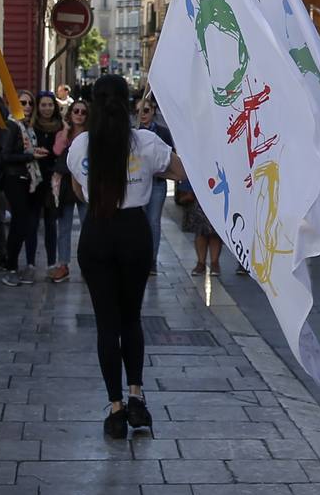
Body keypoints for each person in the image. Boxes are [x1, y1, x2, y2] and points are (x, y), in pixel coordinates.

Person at [66, 76, 186, 437]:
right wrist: (149, 172)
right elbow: (179, 171)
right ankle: (136, 396)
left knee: (106, 323)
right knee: (131, 318)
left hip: (98, 231)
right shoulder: (146, 142)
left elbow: (78, 187)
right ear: (128, 102)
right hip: (134, 232)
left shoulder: (81, 145)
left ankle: (114, 407)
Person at [0, 91, 41, 286]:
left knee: (23, 223)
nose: (27, 106)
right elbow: (5, 156)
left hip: (26, 178)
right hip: (14, 178)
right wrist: (30, 156)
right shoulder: (12, 125)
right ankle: (10, 266)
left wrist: (32, 154)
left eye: (30, 103)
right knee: (19, 223)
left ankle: (13, 264)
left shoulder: (27, 127)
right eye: (22, 102)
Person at [50, 98, 90, 283]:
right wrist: (66, 130)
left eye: (83, 112)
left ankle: (87, 264)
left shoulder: (91, 134)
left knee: (87, 226)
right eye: (76, 111)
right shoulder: (63, 133)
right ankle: (63, 264)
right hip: (66, 183)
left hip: (85, 182)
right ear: (70, 113)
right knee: (64, 226)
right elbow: (57, 151)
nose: (79, 115)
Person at [135, 94, 173, 276]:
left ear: (153, 112)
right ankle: (138, 257)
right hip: (137, 184)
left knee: (153, 222)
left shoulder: (163, 132)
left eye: (146, 110)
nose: (142, 114)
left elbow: (170, 159)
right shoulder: (132, 132)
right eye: (138, 111)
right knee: (137, 221)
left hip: (157, 183)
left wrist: (153, 168)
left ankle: (152, 261)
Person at [28, 91, 64, 281]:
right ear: (38, 107)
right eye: (43, 105)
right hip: (35, 178)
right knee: (32, 221)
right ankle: (30, 262)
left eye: (50, 105)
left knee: (51, 222)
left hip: (52, 179)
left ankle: (51, 262)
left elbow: (61, 152)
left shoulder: (61, 127)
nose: (47, 108)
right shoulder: (31, 127)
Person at [177, 176, 222, 276]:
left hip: (216, 181)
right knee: (199, 229)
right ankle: (201, 263)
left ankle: (214, 263)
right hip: (196, 185)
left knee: (214, 229)